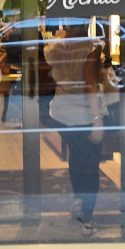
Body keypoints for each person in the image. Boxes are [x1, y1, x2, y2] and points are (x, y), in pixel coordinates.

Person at [44, 21, 107, 219]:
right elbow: (91, 85)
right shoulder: (91, 48)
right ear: (86, 23)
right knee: (90, 165)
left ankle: (78, 200)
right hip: (84, 114)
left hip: (61, 113)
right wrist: (97, 119)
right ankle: (86, 213)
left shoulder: (58, 48)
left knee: (77, 157)